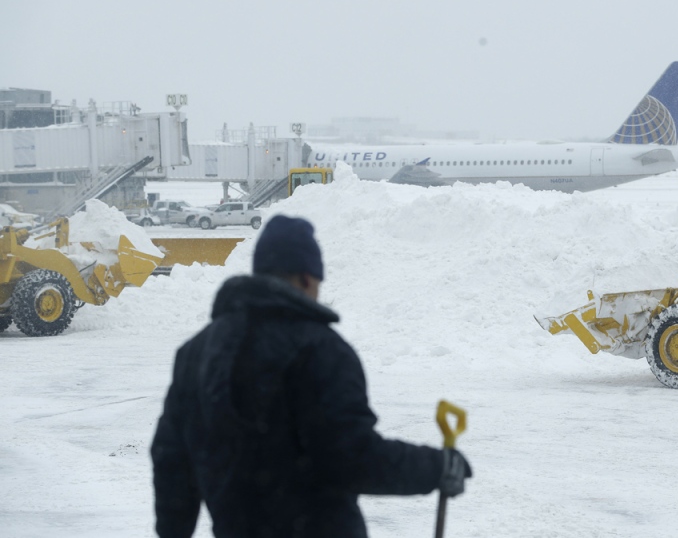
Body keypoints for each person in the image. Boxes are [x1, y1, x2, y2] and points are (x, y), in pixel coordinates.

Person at [151, 215, 471, 538]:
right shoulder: (321, 351)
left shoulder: (196, 353)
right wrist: (436, 467)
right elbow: (351, 456)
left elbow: (171, 461)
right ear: (307, 279)